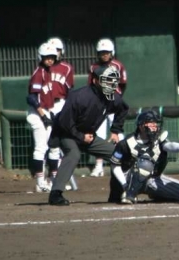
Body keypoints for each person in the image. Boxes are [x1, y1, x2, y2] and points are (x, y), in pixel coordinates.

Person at [47, 65, 129, 206]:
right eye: (107, 81)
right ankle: (55, 194)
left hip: (89, 136)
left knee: (118, 155)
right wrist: (81, 136)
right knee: (73, 154)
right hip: (67, 133)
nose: (110, 84)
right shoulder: (80, 96)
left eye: (113, 81)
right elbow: (64, 122)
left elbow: (123, 109)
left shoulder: (112, 98)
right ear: (96, 81)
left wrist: (115, 130)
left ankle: (116, 194)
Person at [107, 109, 179, 204]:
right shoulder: (126, 143)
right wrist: (124, 185)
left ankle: (156, 193)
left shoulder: (157, 140)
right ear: (141, 126)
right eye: (151, 123)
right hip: (126, 180)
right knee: (145, 164)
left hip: (149, 180)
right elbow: (115, 165)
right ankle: (129, 194)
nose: (155, 126)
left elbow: (169, 146)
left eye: (155, 124)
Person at [89, 38, 128, 177]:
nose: (104, 55)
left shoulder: (118, 65)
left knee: (118, 134)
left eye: (106, 52)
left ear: (112, 52)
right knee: (98, 135)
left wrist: (117, 97)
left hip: (113, 102)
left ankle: (123, 162)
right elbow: (91, 85)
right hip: (100, 103)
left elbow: (123, 84)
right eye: (101, 52)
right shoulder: (94, 67)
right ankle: (99, 166)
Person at [26, 42, 59, 193]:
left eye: (52, 57)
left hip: (46, 112)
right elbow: (31, 98)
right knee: (41, 148)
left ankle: (50, 180)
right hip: (38, 113)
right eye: (47, 57)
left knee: (52, 146)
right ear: (41, 57)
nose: (50, 59)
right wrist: (43, 115)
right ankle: (40, 182)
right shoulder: (39, 73)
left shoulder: (48, 71)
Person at [45, 37, 75, 185]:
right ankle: (49, 178)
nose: (54, 52)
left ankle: (58, 177)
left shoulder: (66, 68)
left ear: (61, 51)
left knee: (64, 142)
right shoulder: (41, 69)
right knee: (49, 144)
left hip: (61, 104)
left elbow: (69, 90)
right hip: (46, 106)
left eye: (57, 50)